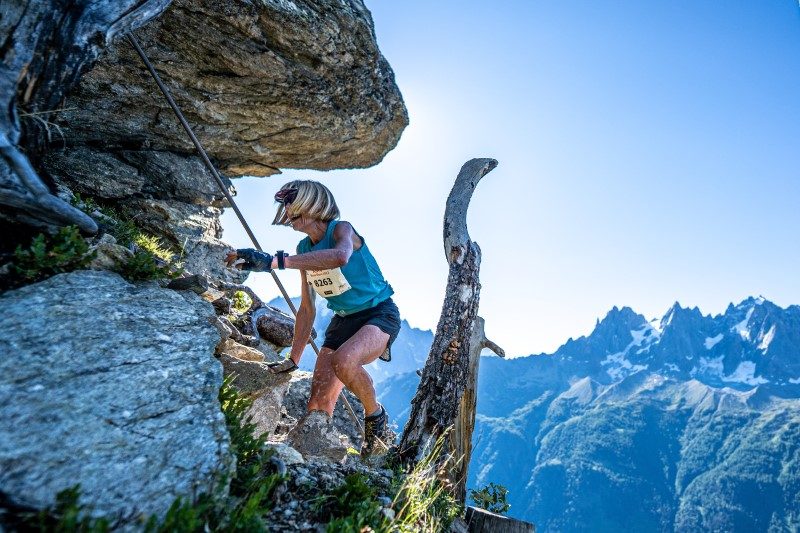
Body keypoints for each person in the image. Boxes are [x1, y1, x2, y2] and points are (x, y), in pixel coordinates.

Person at [228, 180, 400, 457]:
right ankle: (318, 456)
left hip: (378, 313)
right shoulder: (303, 248)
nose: (286, 210)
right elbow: (307, 308)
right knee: (317, 404)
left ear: (311, 204)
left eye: (291, 202)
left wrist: (275, 261)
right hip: (343, 320)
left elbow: (341, 256)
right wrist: (293, 359)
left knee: (344, 361)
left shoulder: (342, 229)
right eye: (285, 204)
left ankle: (376, 419)